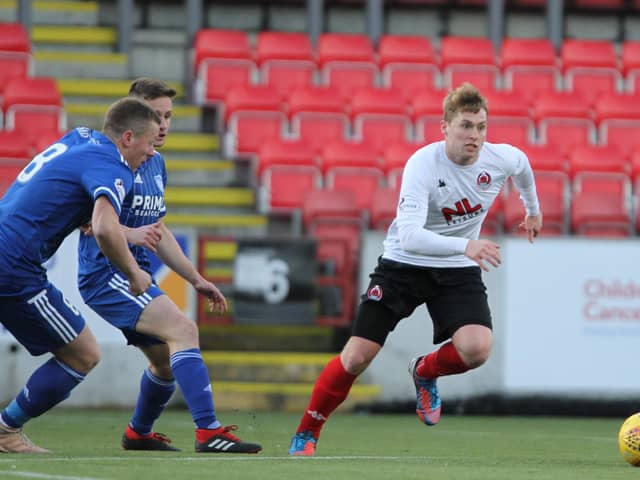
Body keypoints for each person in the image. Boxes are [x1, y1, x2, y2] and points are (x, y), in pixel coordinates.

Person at [288, 82, 544, 456]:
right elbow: (409, 236)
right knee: (357, 357)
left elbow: (522, 167)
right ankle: (307, 432)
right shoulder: (423, 164)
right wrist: (467, 244)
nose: (474, 135)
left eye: (481, 127)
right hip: (403, 267)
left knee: (477, 349)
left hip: (455, 269)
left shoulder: (499, 158)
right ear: (445, 128)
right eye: (466, 126)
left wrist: (532, 209)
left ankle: (425, 371)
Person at [77, 78, 261, 454]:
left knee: (165, 363)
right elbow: (93, 224)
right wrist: (129, 240)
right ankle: (208, 432)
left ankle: (138, 433)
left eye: (169, 116)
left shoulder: (155, 163)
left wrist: (195, 278)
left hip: (138, 274)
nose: (163, 125)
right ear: (135, 116)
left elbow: (157, 232)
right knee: (184, 330)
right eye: (156, 116)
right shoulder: (107, 160)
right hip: (107, 274)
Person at [0, 97, 161, 453]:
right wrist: (133, 273)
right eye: (150, 144)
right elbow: (104, 229)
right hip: (13, 266)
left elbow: (71, 204)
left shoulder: (81, 137)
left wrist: (123, 232)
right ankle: (5, 430)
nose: (151, 154)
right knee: (83, 353)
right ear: (129, 138)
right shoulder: (114, 166)